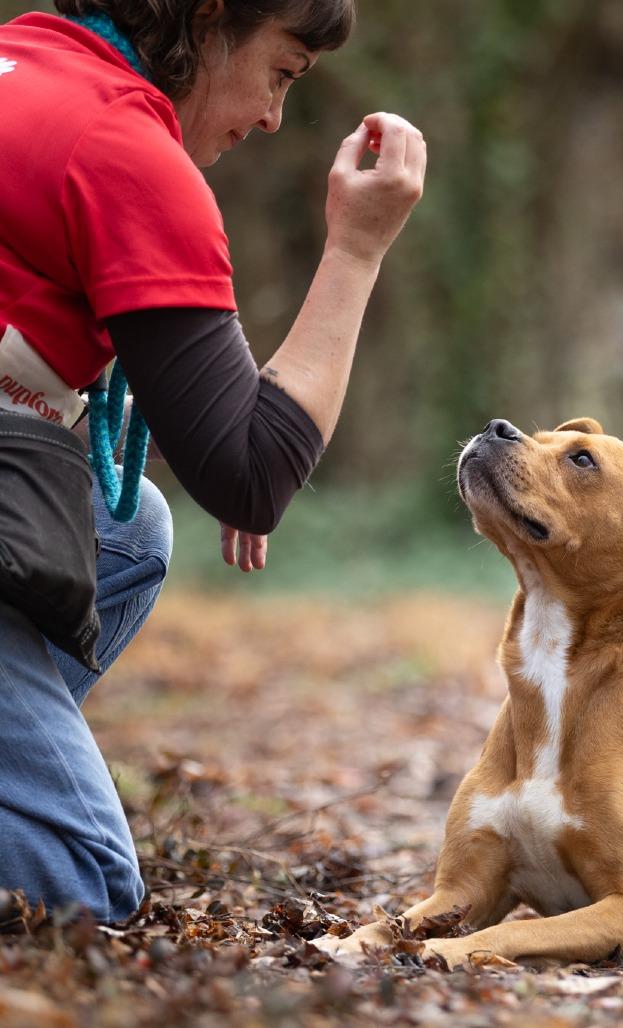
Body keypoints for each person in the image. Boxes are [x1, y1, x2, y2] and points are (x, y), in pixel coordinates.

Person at [0, 0, 426, 922]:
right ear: (207, 18)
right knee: (84, 886)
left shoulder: (21, 58)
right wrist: (356, 249)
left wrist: (228, 425)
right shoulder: (125, 150)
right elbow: (250, 474)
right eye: (282, 71)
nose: (274, 116)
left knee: (131, 528)